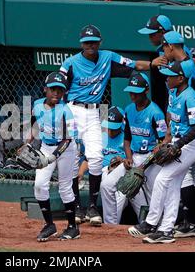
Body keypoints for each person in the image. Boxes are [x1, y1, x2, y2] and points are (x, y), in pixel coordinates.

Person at [60, 24, 151, 226]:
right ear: (81, 44)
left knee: (96, 157)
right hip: (72, 111)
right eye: (86, 42)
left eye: (93, 42)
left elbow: (134, 65)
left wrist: (155, 64)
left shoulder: (108, 57)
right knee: (73, 159)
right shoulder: (70, 63)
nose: (90, 45)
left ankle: (92, 206)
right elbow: (58, 88)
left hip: (94, 112)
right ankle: (76, 207)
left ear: (100, 42)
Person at [128, 60, 195, 244]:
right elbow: (172, 122)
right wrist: (167, 141)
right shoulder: (173, 93)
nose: (167, 79)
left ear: (180, 78)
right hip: (178, 143)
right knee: (171, 184)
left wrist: (177, 146)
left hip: (191, 145)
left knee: (163, 179)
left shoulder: (190, 97)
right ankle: (166, 230)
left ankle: (150, 222)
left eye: (170, 77)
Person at [101, 74, 166, 225]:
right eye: (131, 91)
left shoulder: (156, 113)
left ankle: (157, 227)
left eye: (136, 91)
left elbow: (162, 143)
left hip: (152, 159)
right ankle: (110, 225)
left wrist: (145, 165)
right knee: (107, 185)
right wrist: (128, 157)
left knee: (152, 195)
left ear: (146, 90)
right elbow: (127, 138)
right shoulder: (129, 109)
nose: (132, 95)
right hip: (134, 157)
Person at [23, 72, 80, 241]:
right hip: (46, 146)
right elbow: (34, 124)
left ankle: (72, 227)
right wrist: (27, 143)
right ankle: (49, 225)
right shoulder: (37, 105)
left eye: (60, 90)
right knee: (40, 185)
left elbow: (68, 140)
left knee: (64, 187)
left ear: (64, 93)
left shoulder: (66, 111)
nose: (56, 93)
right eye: (53, 89)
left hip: (66, 150)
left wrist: (52, 157)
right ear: (45, 89)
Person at [161, 31, 195, 237]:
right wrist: (169, 131)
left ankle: (191, 222)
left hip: (189, 127)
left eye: (163, 46)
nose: (162, 50)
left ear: (170, 46)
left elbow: (190, 98)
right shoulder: (176, 67)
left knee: (186, 174)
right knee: (190, 174)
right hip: (179, 128)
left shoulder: (187, 67)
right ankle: (191, 221)